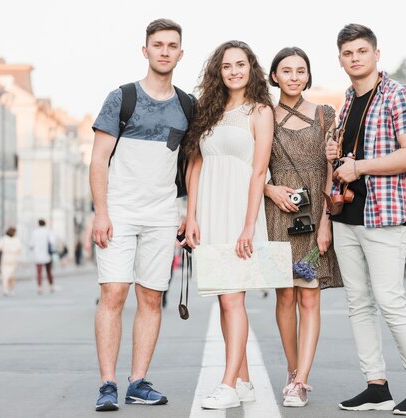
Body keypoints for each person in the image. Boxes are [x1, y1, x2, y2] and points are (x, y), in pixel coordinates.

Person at [326, 24, 406, 415]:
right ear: (340, 59)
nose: (355, 58)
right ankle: (376, 386)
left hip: (385, 215)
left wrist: (360, 168)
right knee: (358, 304)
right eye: (347, 53)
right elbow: (348, 158)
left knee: (390, 302)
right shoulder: (347, 100)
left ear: (376, 54)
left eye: (361, 51)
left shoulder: (400, 95)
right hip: (347, 217)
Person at [89, 18, 190, 411]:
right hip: (120, 212)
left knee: (151, 297)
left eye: (172, 45)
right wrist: (102, 213)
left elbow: (193, 163)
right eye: (158, 44)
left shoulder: (187, 105)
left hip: (163, 215)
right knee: (113, 293)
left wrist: (189, 213)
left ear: (180, 53)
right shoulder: (121, 98)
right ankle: (108, 383)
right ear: (145, 50)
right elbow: (98, 160)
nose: (164, 51)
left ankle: (137, 381)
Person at [184, 40, 274, 410]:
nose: (234, 71)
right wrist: (190, 215)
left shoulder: (260, 111)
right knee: (225, 299)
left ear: (251, 68)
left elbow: (258, 171)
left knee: (233, 298)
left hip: (240, 210)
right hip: (209, 210)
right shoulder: (209, 111)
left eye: (241, 64)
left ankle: (226, 384)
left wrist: (249, 225)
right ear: (217, 72)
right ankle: (244, 380)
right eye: (226, 66)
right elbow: (196, 165)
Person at [264, 46, 343, 407]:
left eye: (301, 71)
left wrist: (326, 222)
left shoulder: (326, 115)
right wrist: (268, 187)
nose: (294, 77)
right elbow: (254, 168)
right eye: (287, 70)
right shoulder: (263, 115)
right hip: (279, 211)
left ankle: (302, 381)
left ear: (308, 75)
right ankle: (292, 370)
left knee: (309, 295)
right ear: (274, 76)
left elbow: (332, 170)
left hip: (315, 216)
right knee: (285, 294)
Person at [29, 219, 56, 294]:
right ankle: (51, 286)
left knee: (39, 272)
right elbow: (52, 242)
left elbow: (31, 244)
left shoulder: (34, 232)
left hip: (37, 255)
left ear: (38, 224)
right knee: (49, 271)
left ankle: (40, 287)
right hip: (47, 254)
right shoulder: (48, 231)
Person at [0, 227, 22, 296]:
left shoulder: (3, 238)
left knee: (5, 274)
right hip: (13, 257)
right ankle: (12, 289)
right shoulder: (16, 239)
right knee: (12, 275)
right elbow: (19, 250)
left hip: (5, 257)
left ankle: (5, 289)